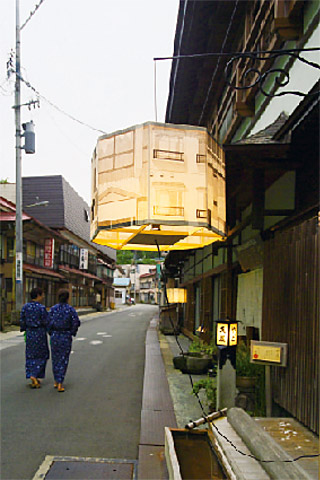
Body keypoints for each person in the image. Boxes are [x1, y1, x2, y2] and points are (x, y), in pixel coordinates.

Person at [48, 289, 80, 392]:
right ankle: (60, 382)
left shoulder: (53, 309)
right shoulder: (70, 309)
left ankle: (56, 380)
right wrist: (71, 332)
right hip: (65, 335)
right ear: (68, 298)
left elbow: (47, 322)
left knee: (55, 358)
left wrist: (51, 332)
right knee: (63, 358)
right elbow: (76, 322)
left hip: (55, 335)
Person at [20, 287, 49, 389]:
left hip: (30, 333)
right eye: (42, 295)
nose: (43, 297)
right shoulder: (41, 308)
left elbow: (22, 321)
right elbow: (46, 321)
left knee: (30, 355)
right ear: (38, 295)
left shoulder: (25, 307)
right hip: (40, 333)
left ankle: (31, 374)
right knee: (42, 355)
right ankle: (36, 375)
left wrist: (24, 328)